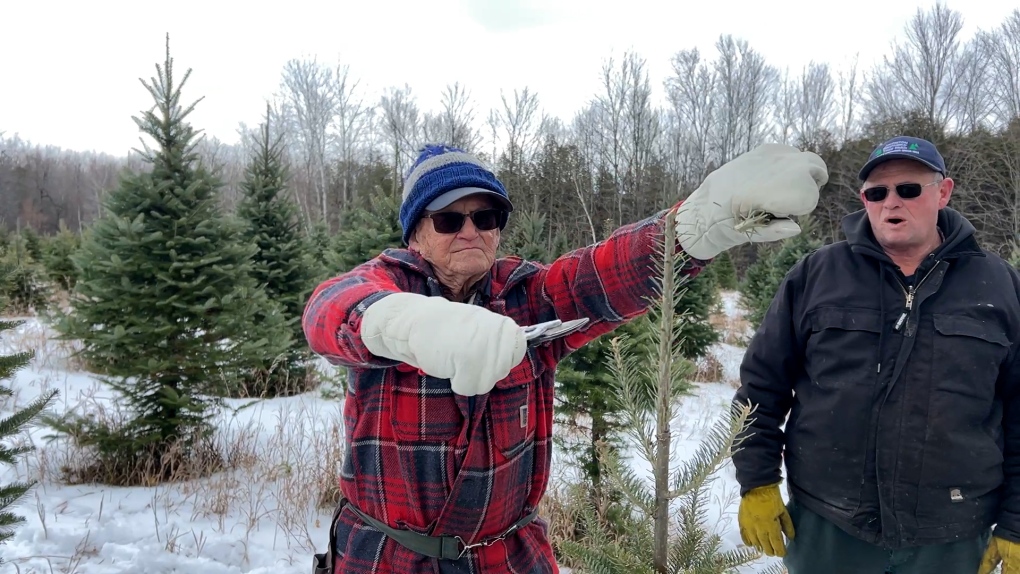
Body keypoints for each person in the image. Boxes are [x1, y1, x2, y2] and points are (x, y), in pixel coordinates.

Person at [303, 142, 827, 574]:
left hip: (507, 557)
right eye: (447, 219)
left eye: (486, 215)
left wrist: (697, 226)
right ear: (416, 232)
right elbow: (328, 311)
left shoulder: (523, 296)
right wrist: (408, 325)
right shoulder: (388, 285)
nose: (470, 230)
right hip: (388, 559)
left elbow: (597, 278)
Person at [731, 135, 1020, 574]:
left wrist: (1016, 522)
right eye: (876, 193)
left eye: (909, 189)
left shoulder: (999, 287)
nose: (891, 203)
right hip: (829, 527)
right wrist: (757, 482)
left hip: (953, 537)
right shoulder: (817, 276)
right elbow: (761, 387)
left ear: (943, 192)